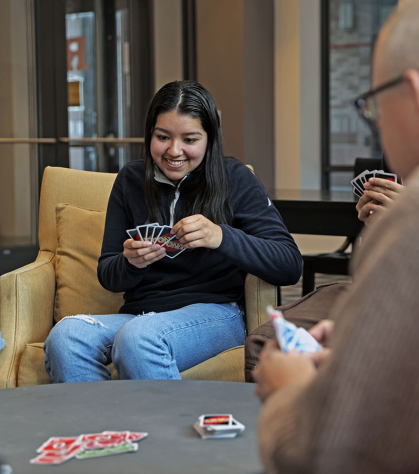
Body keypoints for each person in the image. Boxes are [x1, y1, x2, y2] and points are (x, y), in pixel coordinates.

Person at [43, 80, 302, 383]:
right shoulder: (130, 180)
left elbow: (289, 264)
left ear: (210, 139)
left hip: (216, 313)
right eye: (162, 137)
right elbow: (108, 274)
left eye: (190, 139)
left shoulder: (236, 179)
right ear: (149, 135)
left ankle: (164, 430)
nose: (174, 151)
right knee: (66, 337)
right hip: (140, 315)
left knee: (138, 338)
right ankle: (106, 429)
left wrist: (222, 237)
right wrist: (130, 262)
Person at [255, 2, 419, 473]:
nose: (378, 128)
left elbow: (322, 447)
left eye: (374, 105)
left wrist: (289, 390)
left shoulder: (409, 223)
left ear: (410, 91)